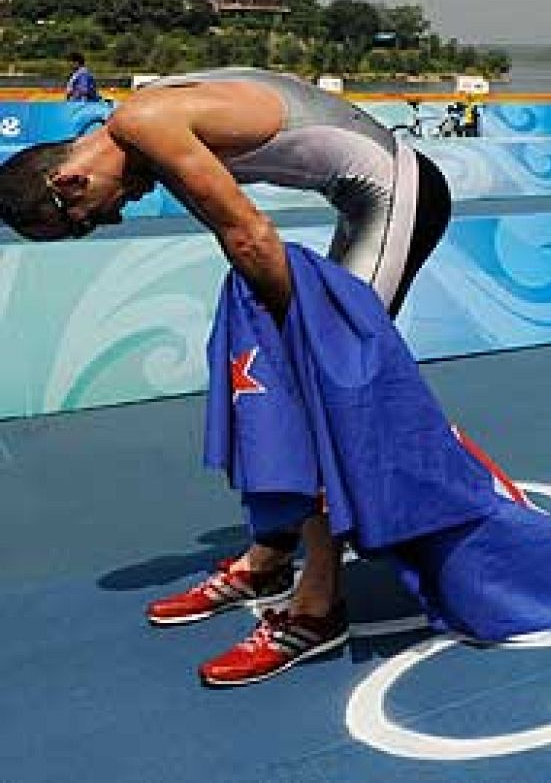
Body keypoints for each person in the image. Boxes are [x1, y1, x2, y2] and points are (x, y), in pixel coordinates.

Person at [0, 66, 453, 683]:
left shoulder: (148, 123)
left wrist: (302, 345)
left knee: (313, 393)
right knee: (283, 382)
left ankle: (319, 606)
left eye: (84, 220)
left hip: (400, 192)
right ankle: (268, 560)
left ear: (71, 180)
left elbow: (249, 236)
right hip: (367, 196)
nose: (111, 220)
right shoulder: (142, 123)